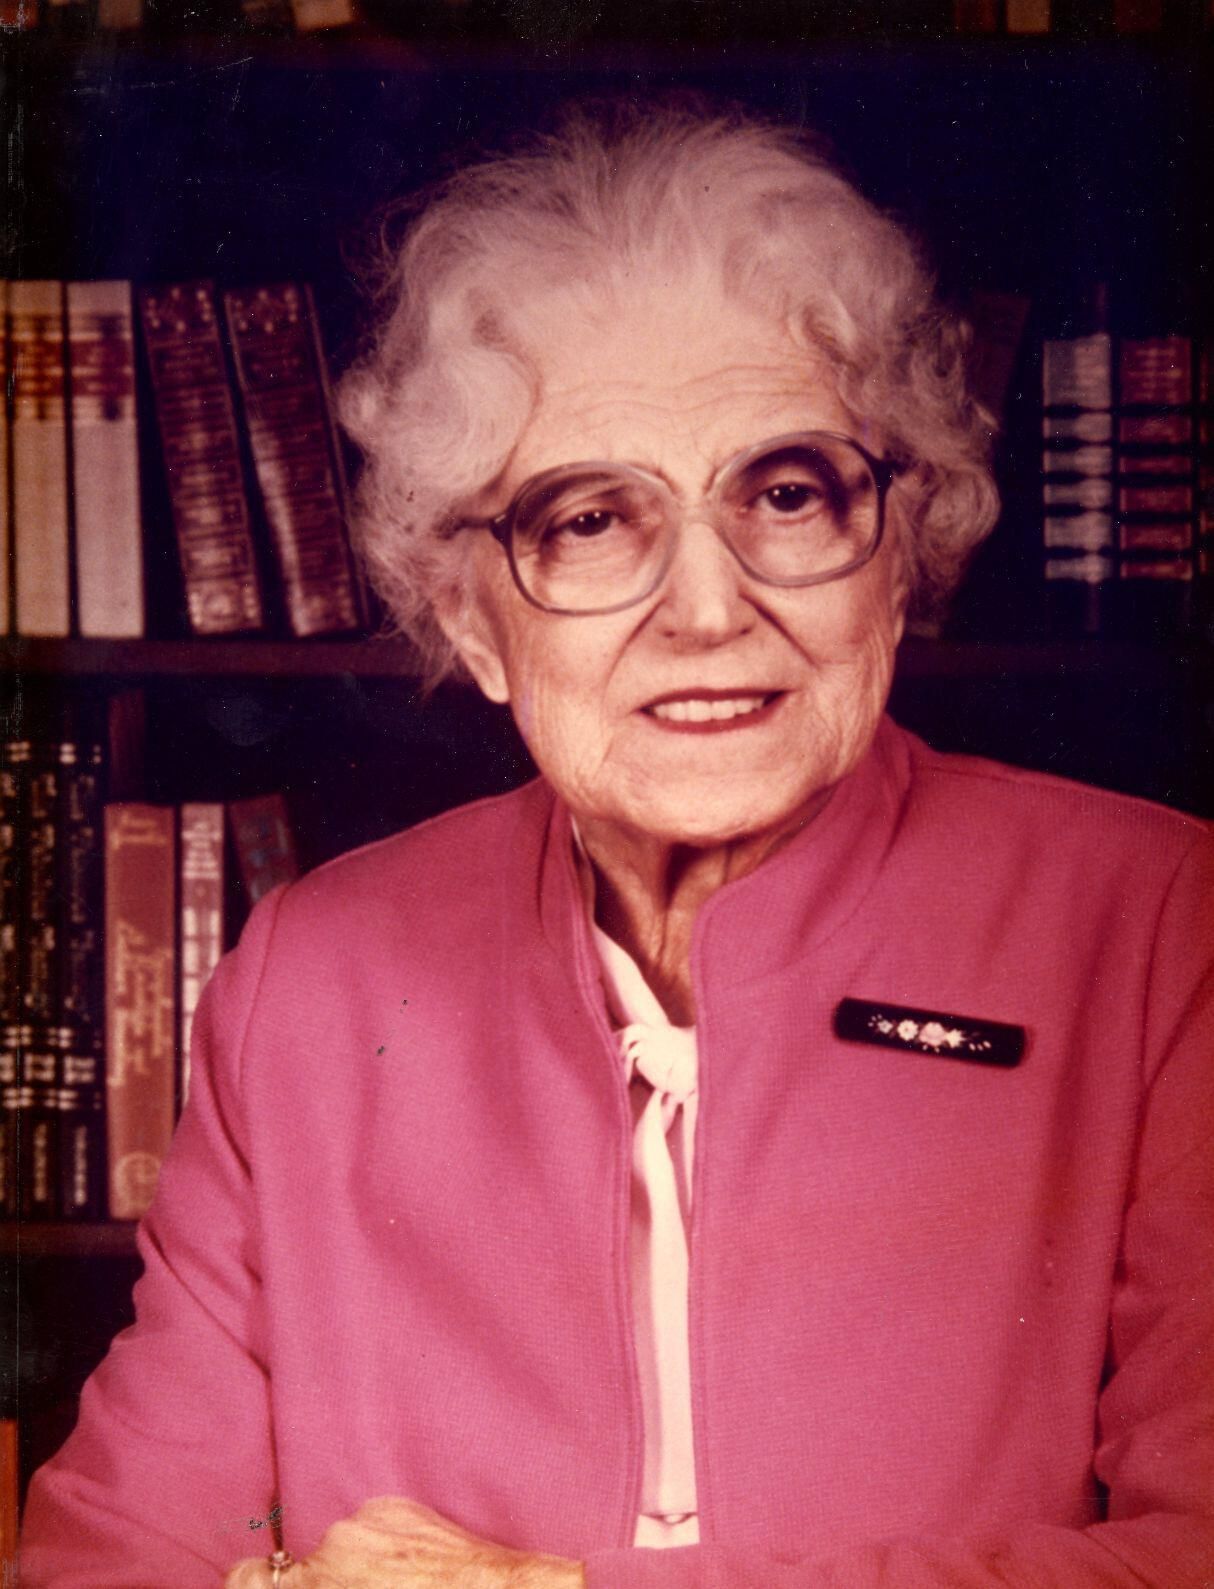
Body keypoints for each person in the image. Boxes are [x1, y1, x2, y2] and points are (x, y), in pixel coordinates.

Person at [21, 103, 1213, 1588]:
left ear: (897, 558)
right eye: (590, 520)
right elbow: (111, 1554)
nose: (706, 609)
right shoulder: (313, 975)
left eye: (787, 494)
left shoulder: (1159, 925)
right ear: (472, 620)